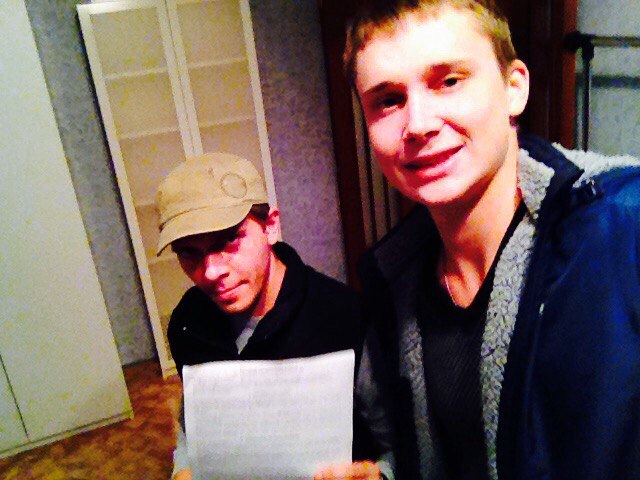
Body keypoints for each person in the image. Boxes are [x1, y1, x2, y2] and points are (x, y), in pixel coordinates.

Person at [331, 0, 640, 478]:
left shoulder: (620, 228)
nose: (418, 124)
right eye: (388, 100)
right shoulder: (397, 281)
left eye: (449, 81)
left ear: (514, 87)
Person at [155, 152, 392, 480]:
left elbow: (397, 439)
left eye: (229, 241)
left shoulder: (345, 316)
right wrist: (183, 466)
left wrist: (380, 474)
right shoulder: (187, 322)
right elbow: (196, 416)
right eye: (189, 252)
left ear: (270, 226)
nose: (210, 272)